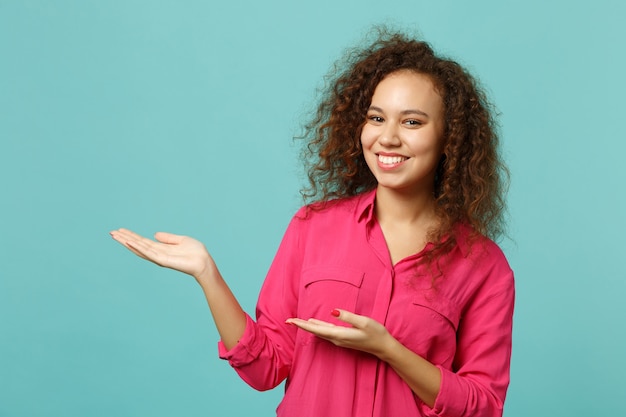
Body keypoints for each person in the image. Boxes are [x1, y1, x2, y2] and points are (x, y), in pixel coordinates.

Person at [110, 28, 514, 417]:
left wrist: (390, 349)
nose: (387, 138)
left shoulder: (483, 267)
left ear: (450, 139)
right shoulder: (313, 227)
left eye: (411, 122)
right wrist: (207, 274)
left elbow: (482, 405)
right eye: (376, 118)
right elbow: (265, 367)